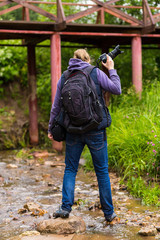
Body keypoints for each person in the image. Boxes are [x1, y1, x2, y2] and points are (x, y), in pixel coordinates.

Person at [48, 49, 121, 222]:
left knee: (71, 169)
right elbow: (116, 89)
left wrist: (51, 128)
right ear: (88, 60)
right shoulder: (95, 72)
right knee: (102, 171)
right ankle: (109, 214)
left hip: (73, 130)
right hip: (95, 129)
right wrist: (111, 69)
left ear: (73, 60)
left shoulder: (65, 77)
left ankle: (65, 208)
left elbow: (56, 106)